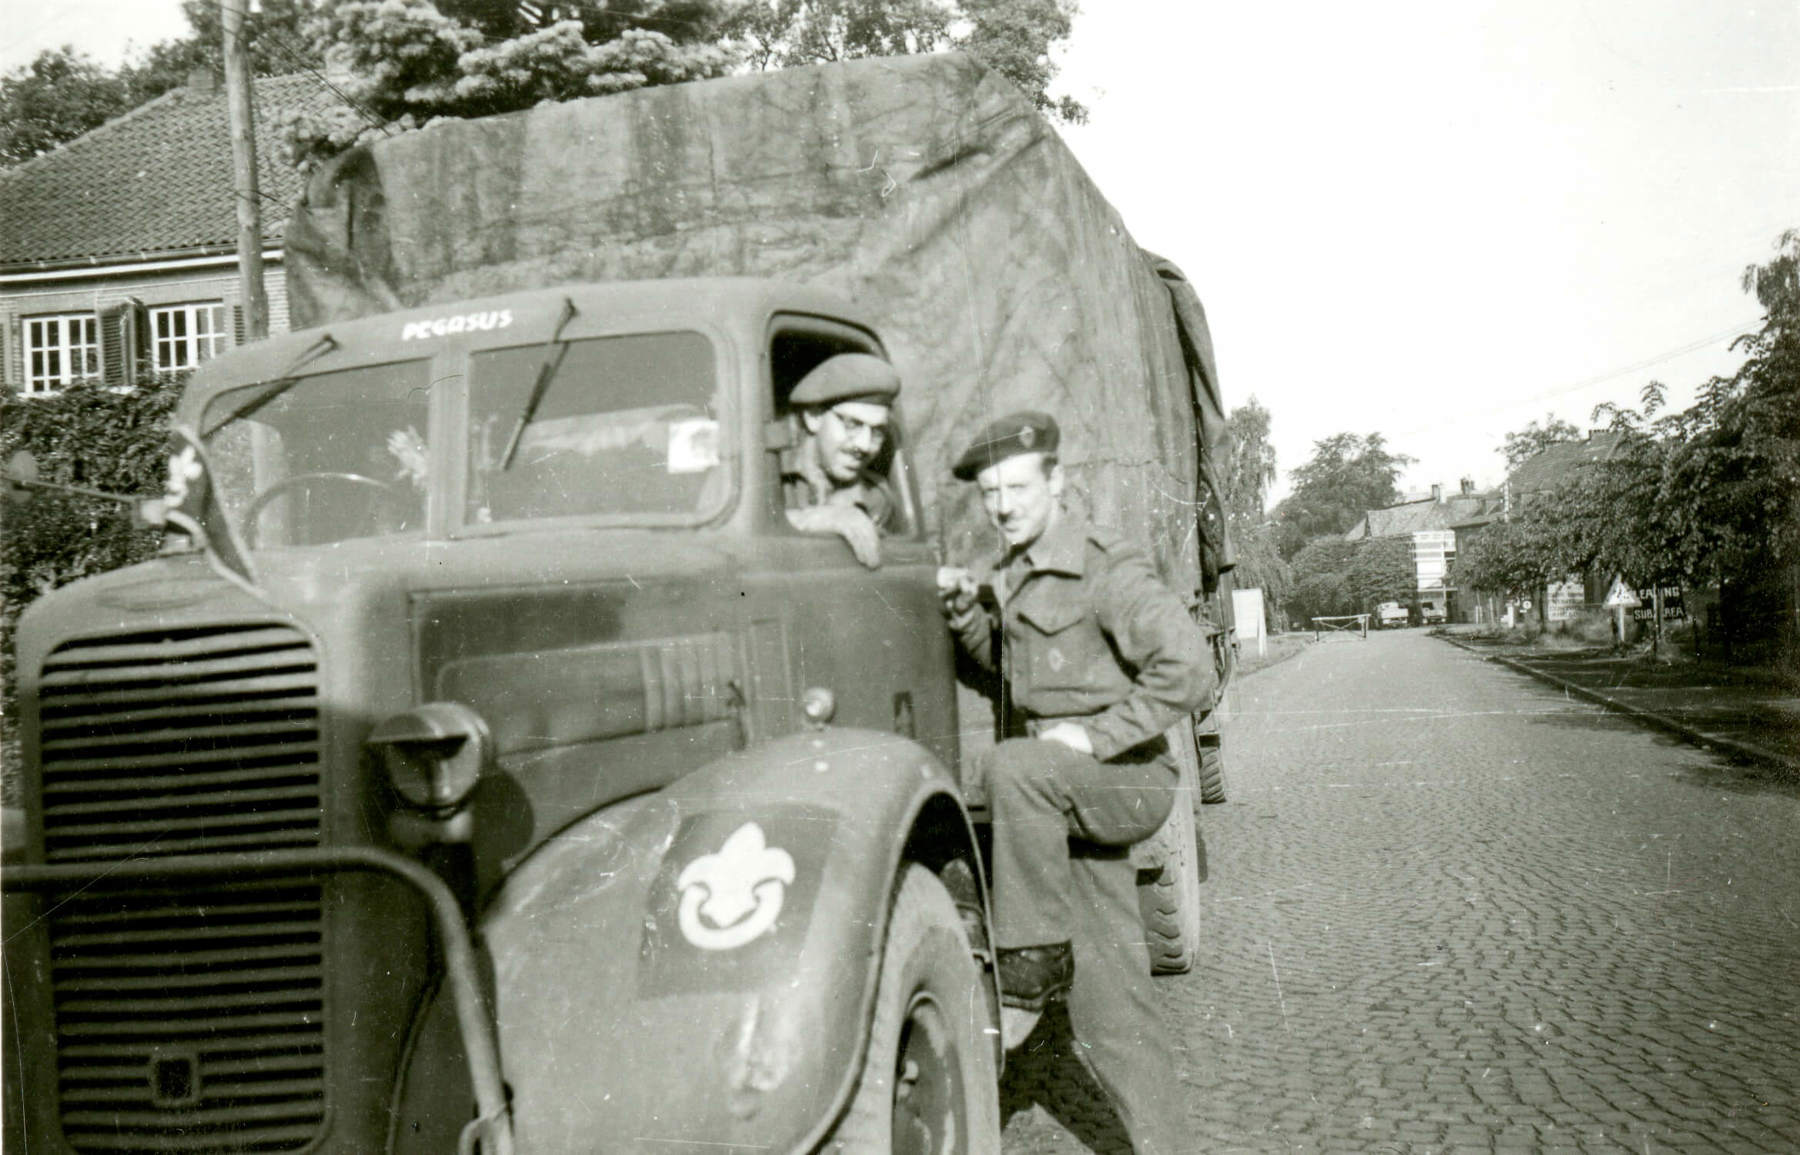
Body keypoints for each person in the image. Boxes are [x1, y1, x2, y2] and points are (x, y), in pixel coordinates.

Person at [937, 410, 1212, 1154]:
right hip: (1061, 797)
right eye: (991, 491)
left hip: (1129, 779)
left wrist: (1095, 735)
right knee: (1114, 1012)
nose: (1003, 505)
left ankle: (1026, 974)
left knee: (1013, 763)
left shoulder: (1104, 565)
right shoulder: (1013, 573)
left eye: (1018, 486)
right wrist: (970, 620)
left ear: (1056, 481)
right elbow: (1013, 670)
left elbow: (1191, 667)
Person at [782, 353, 901, 568]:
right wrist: (810, 519)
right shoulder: (762, 477)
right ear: (814, 417)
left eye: (877, 432)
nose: (864, 445)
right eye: (852, 424)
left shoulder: (876, 498)